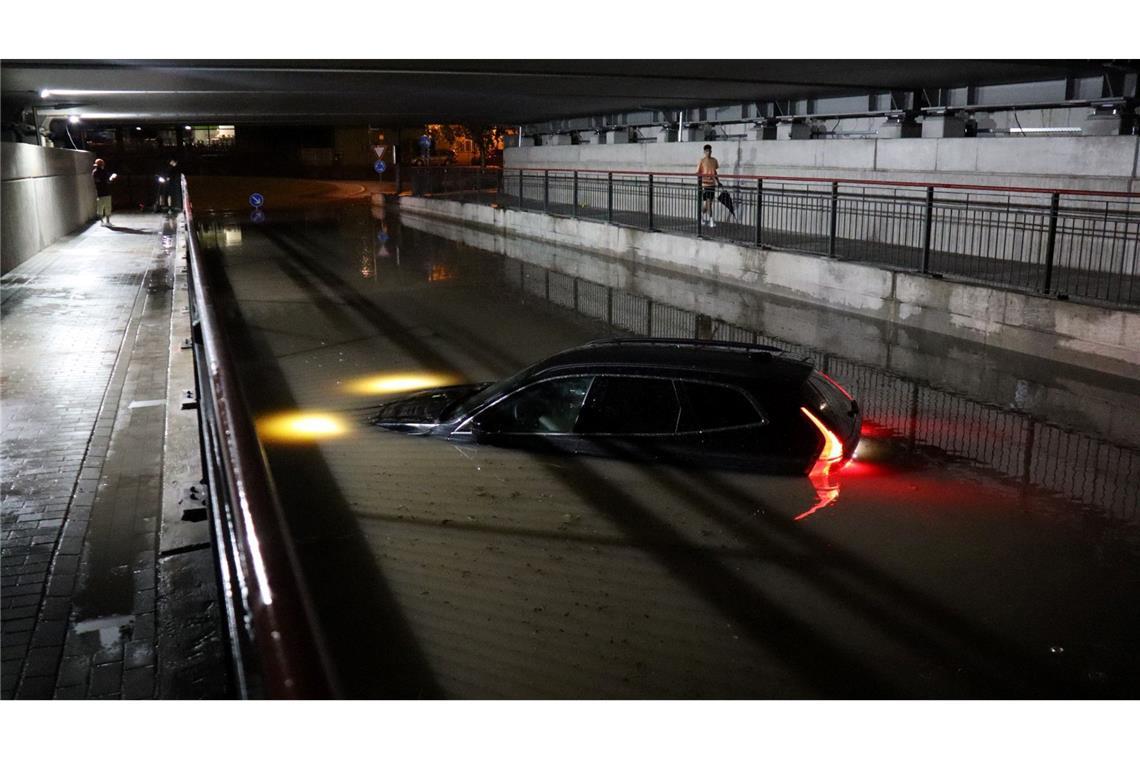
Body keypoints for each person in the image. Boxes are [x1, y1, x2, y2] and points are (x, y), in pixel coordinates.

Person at [697, 144, 719, 228]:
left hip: (712, 184)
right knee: (709, 203)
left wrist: (718, 181)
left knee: (707, 205)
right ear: (704, 152)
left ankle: (700, 217)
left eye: (710, 151)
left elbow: (715, 172)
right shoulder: (702, 161)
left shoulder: (714, 160)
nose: (708, 153)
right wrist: (703, 178)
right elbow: (698, 172)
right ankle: (711, 221)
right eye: (707, 151)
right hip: (705, 184)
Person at [91, 158, 116, 226]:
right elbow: (107, 181)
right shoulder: (104, 171)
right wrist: (112, 178)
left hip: (100, 193)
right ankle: (107, 221)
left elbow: (98, 181)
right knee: (108, 207)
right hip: (106, 192)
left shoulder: (94, 172)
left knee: (100, 208)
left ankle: (102, 222)